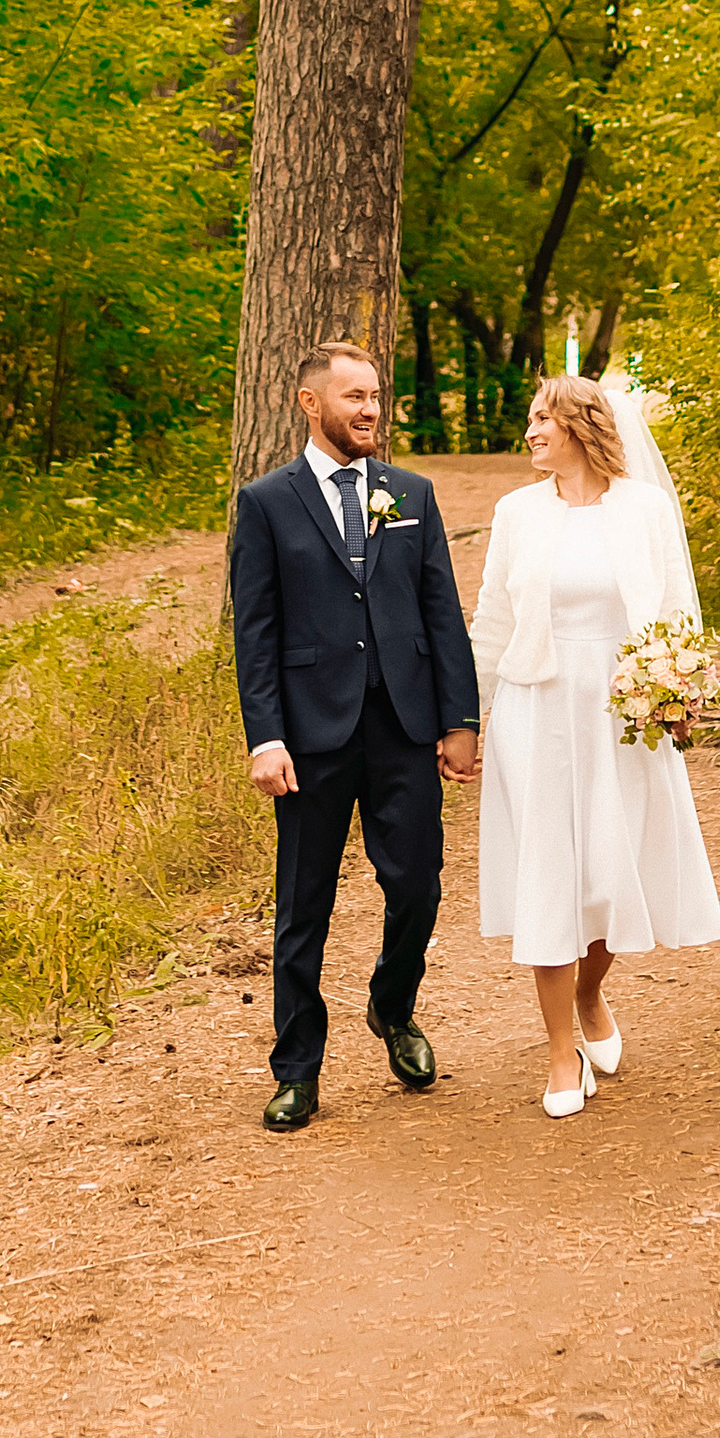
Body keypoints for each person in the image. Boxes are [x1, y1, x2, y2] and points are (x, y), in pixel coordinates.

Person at [229, 341, 482, 1134]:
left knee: (418, 884)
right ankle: (297, 1069)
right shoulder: (266, 502)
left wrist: (460, 718)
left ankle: (393, 1007)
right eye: (354, 398)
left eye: (375, 396)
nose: (370, 410)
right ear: (311, 404)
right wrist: (265, 736)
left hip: (404, 725)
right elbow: (256, 632)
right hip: (310, 736)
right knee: (304, 905)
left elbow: (441, 611)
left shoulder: (411, 493)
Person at [470, 372, 720, 1116]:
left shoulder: (644, 509)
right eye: (529, 420)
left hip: (622, 714)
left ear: (582, 426)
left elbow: (676, 606)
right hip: (537, 708)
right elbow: (492, 619)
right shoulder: (516, 512)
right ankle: (559, 1053)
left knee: (615, 875)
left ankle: (590, 994)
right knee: (549, 872)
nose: (530, 433)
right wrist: (467, 718)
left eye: (541, 419)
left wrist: (680, 694)